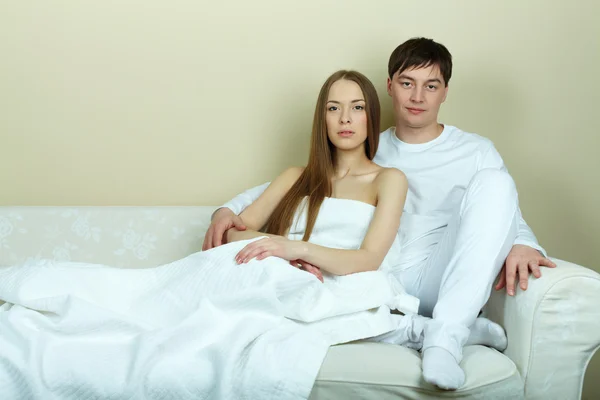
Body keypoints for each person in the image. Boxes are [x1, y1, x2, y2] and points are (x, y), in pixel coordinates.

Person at [0, 70, 504, 399]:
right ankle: (415, 330)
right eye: (333, 107)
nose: (345, 119)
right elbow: (242, 232)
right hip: (282, 271)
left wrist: (297, 248)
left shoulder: (389, 180)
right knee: (144, 301)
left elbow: (370, 258)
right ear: (321, 118)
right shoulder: (294, 177)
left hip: (337, 274)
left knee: (322, 287)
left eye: (355, 107)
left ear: (372, 114)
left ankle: (427, 330)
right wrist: (267, 246)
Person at [203, 38, 556, 390]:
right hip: (375, 270)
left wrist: (525, 244)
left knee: (496, 182)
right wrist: (228, 209)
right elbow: (300, 184)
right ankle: (428, 329)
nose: (417, 97)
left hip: (440, 271)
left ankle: (444, 338)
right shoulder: (367, 143)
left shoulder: (474, 150)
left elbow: (501, 210)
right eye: (407, 84)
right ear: (389, 87)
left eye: (430, 86)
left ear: (444, 92)